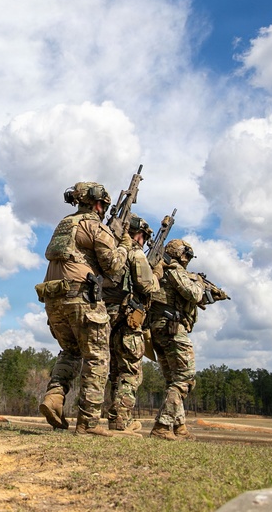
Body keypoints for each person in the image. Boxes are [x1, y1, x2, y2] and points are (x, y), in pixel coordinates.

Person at [36, 182, 131, 436]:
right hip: (81, 298)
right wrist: (123, 243)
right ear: (99, 204)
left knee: (71, 351)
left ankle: (54, 397)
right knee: (97, 357)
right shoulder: (95, 226)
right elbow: (113, 266)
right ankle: (88, 423)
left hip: (53, 297)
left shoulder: (64, 224)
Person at [149, 238, 210, 440]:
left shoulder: (159, 269)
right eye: (188, 255)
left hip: (158, 329)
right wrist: (199, 283)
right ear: (181, 254)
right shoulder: (173, 269)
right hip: (172, 329)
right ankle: (162, 425)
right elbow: (194, 294)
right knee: (185, 378)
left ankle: (179, 427)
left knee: (173, 380)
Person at [103, 215, 160, 433]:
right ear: (137, 234)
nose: (144, 241)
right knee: (131, 371)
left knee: (115, 371)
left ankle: (115, 419)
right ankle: (121, 420)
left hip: (107, 317)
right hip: (127, 319)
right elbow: (147, 286)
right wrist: (156, 273)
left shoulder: (111, 252)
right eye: (143, 236)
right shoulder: (135, 253)